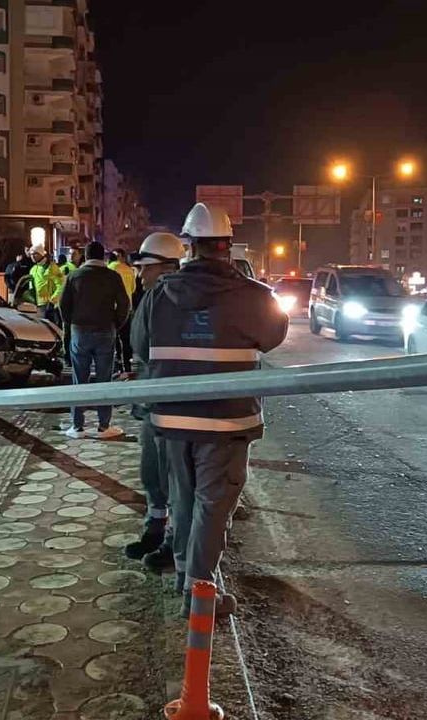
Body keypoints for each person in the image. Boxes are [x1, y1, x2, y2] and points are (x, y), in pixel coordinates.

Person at [133, 203, 288, 617]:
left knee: (183, 503)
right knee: (213, 508)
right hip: (226, 421)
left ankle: (188, 580)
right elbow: (274, 336)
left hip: (170, 420)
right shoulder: (255, 297)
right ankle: (200, 596)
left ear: (189, 247)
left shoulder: (156, 297)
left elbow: (138, 347)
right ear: (228, 246)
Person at [123, 232, 186, 565]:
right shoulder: (190, 295)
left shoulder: (156, 298)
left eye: (146, 268)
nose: (141, 274)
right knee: (163, 474)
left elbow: (140, 344)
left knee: (164, 473)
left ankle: (166, 540)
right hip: (176, 400)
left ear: (165, 268)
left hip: (162, 401)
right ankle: (160, 531)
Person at [59, 241, 130, 439]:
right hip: (105, 331)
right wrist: (115, 324)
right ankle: (103, 426)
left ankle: (77, 426)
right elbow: (124, 304)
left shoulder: (73, 276)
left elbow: (63, 305)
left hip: (80, 331)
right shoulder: (112, 276)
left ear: (86, 256)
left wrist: (72, 323)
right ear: (103, 257)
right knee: (104, 378)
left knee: (79, 379)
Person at [107, 250, 138, 373]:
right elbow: (133, 288)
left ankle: (117, 364)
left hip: (112, 309)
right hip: (127, 309)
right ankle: (127, 364)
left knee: (113, 338)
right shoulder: (129, 270)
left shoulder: (109, 269)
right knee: (126, 339)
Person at [28, 247, 65, 325]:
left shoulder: (51, 267)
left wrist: (52, 301)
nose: (32, 256)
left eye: (35, 254)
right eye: (31, 254)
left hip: (49, 306)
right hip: (37, 306)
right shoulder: (33, 269)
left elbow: (61, 285)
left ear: (41, 254)